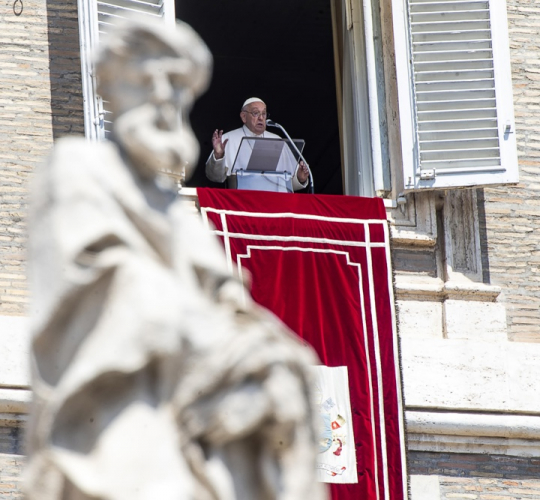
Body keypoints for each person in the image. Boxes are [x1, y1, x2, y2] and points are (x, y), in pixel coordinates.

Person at [24, 16, 325, 500]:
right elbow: (108, 280)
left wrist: (274, 355)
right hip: (122, 400)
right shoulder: (78, 168)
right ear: (113, 91)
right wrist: (209, 332)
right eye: (147, 80)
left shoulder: (178, 211)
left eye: (178, 85)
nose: (164, 96)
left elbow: (230, 297)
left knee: (290, 369)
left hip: (193, 403)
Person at [205, 98, 311, 192]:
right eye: (256, 113)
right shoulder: (228, 139)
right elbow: (215, 177)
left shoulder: (277, 140)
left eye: (264, 114)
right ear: (243, 117)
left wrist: (299, 177)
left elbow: (287, 183)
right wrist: (218, 156)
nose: (261, 118)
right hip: (241, 203)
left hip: (275, 204)